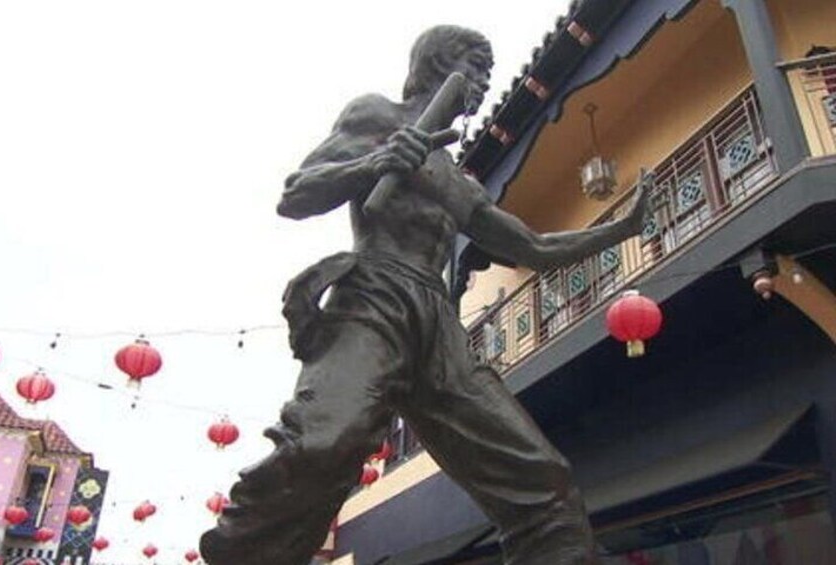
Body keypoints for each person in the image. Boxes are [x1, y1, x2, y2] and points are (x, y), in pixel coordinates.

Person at [200, 25, 650, 565]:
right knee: (326, 442)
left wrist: (619, 229)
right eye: (476, 69)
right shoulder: (377, 118)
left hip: (437, 322)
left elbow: (533, 247)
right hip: (373, 299)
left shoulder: (458, 181)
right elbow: (296, 195)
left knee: (541, 479)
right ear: (438, 64)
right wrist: (376, 162)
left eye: (488, 73)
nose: (485, 82)